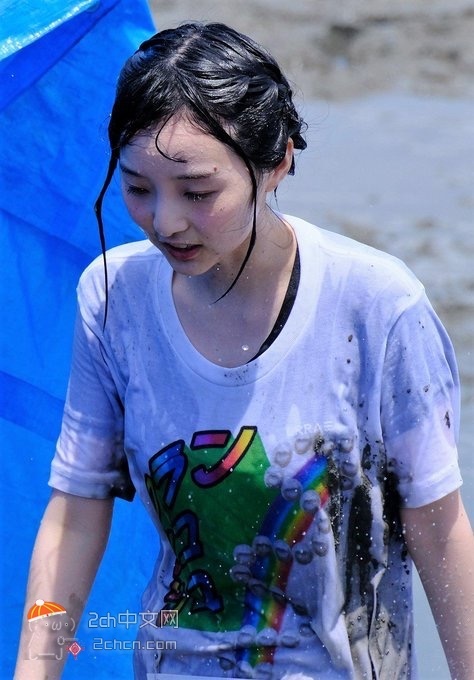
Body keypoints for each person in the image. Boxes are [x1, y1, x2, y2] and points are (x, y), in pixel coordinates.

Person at [15, 21, 474, 680]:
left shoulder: (378, 307)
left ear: (276, 163)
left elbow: (439, 529)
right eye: (138, 187)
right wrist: (35, 668)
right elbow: (76, 511)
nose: (165, 221)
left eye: (198, 192)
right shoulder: (114, 299)